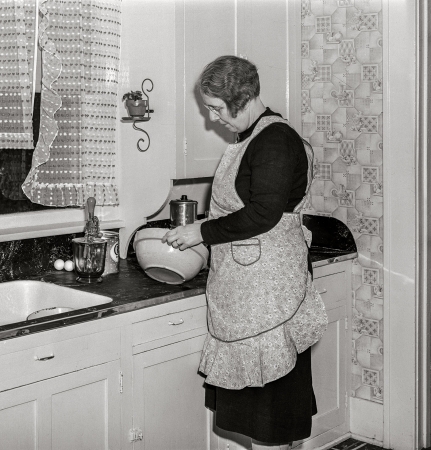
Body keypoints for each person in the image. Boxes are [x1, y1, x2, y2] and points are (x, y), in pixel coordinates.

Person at [162, 55, 328, 449]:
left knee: (270, 416)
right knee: (258, 418)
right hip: (251, 293)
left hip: (267, 298)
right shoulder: (253, 139)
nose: (213, 119)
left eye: (217, 109)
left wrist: (200, 232)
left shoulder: (275, 141)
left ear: (242, 98)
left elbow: (262, 214)